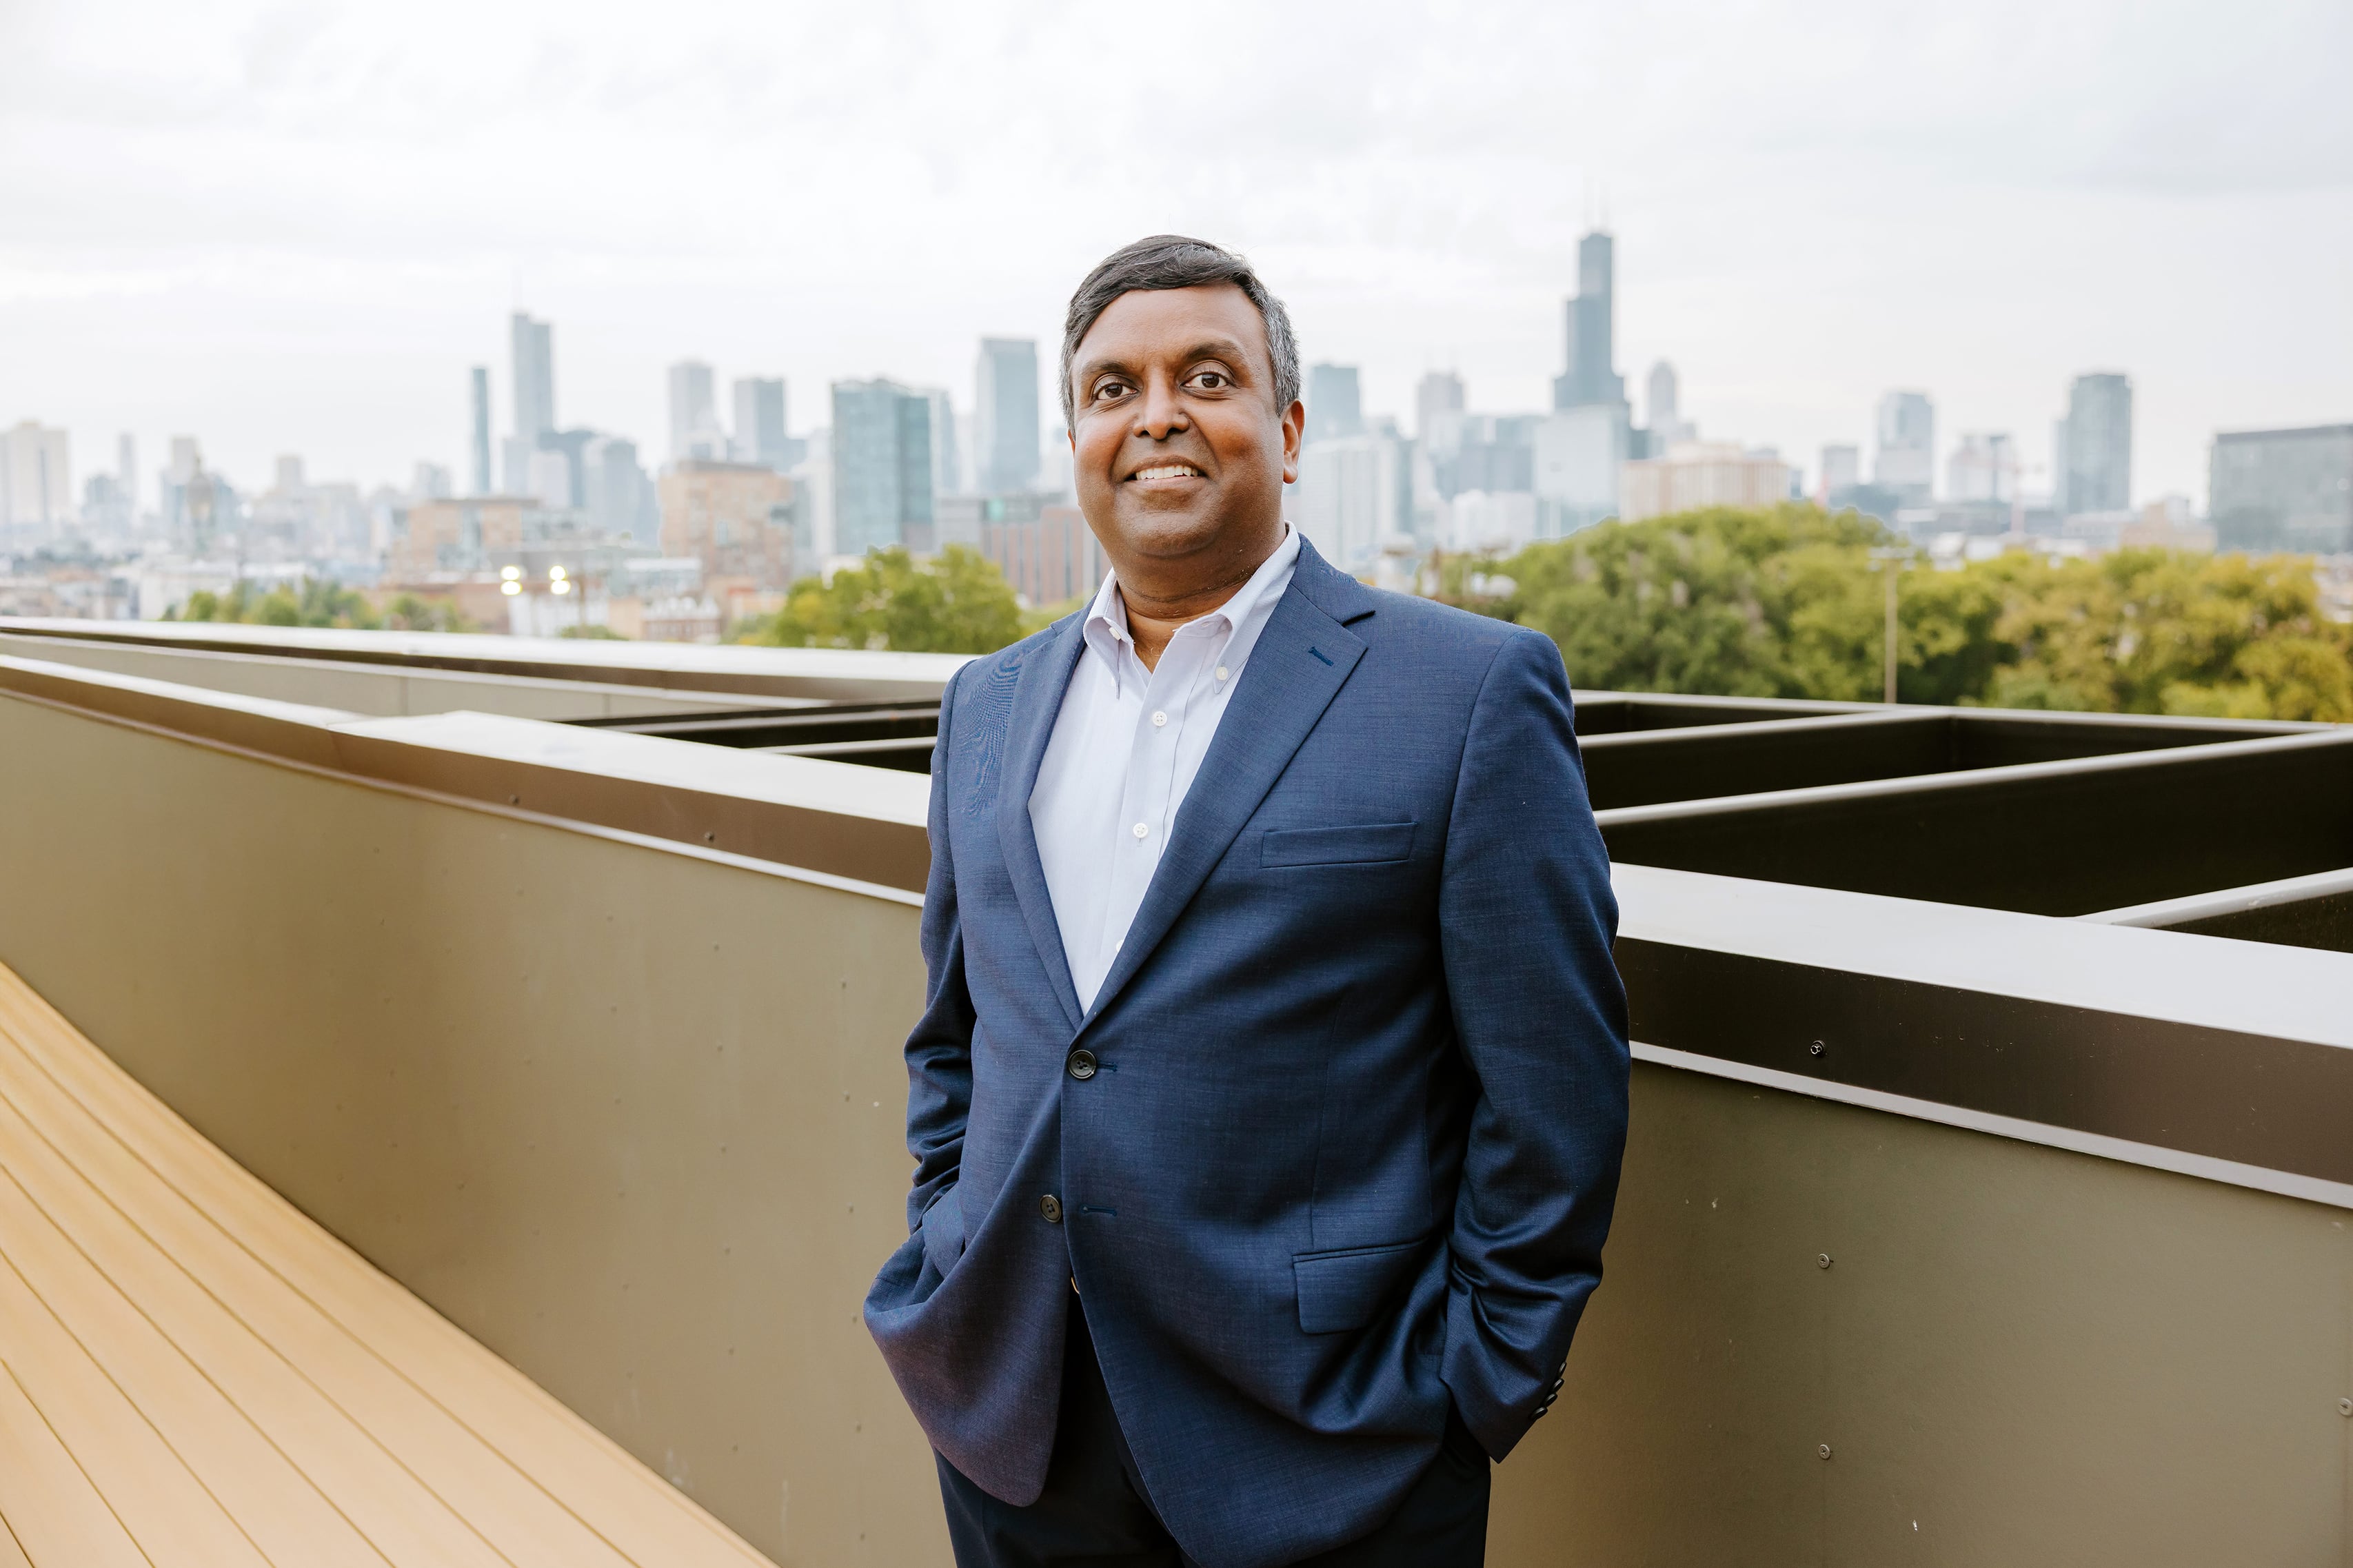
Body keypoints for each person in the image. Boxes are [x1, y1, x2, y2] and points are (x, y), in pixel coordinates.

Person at [865, 235, 1628, 1568]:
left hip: (1334, 1444)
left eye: (1204, 375)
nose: (1155, 413)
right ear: (1075, 440)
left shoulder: (1466, 693)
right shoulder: (986, 704)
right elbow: (960, 1032)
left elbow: (1552, 1081)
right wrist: (948, 1239)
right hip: (1015, 1422)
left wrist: (1478, 1382)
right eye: (1112, 390)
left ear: (1282, 427)